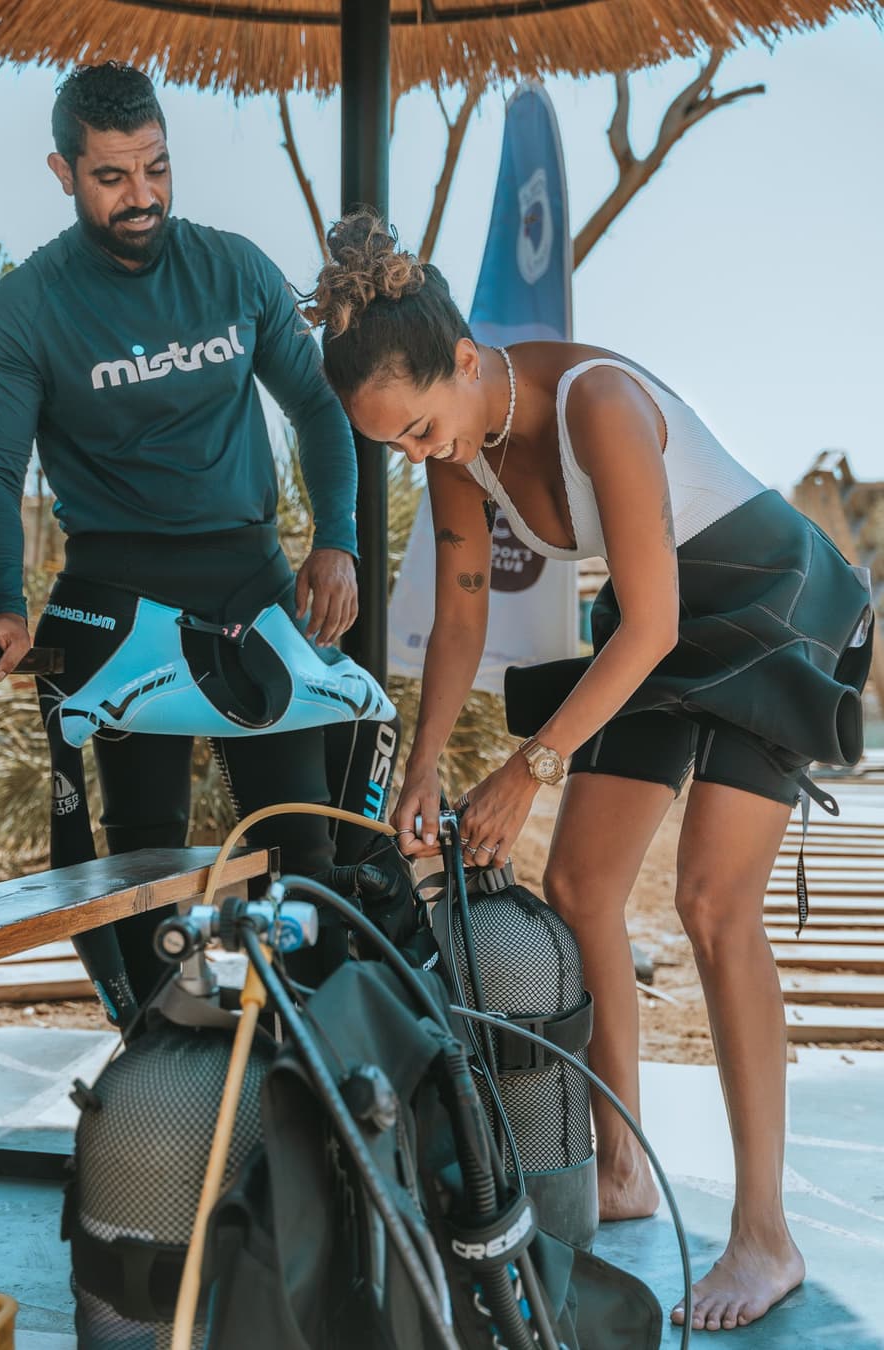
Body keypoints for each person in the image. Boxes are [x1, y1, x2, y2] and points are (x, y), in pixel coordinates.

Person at [301, 211, 874, 1332]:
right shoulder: (459, 446)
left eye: (419, 428)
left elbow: (653, 622)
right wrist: (423, 773)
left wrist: (529, 768)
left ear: (465, 361)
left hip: (767, 603)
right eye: (396, 448)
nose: (419, 456)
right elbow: (459, 621)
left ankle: (767, 1232)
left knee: (713, 901)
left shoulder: (594, 403)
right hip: (654, 624)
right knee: (579, 888)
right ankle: (621, 1166)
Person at [0, 64, 396, 1017]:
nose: (143, 197)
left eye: (157, 169)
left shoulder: (235, 269)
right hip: (119, 593)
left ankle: (317, 1066)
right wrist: (4, 603)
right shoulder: (25, 310)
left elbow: (317, 409)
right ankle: (158, 1070)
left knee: (302, 846)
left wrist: (336, 539)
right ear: (63, 171)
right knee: (144, 851)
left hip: (252, 581)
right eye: (112, 177)